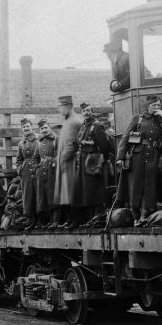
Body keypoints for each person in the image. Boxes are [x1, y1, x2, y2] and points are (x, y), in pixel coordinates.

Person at [116, 94, 162, 225]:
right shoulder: (138, 119)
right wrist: (120, 157)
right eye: (154, 105)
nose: (157, 107)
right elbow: (125, 138)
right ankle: (135, 217)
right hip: (137, 156)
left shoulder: (160, 121)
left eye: (159, 105)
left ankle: (143, 216)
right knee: (135, 187)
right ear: (148, 106)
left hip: (152, 156)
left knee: (149, 187)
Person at [69, 102, 113, 228]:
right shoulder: (83, 126)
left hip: (93, 161)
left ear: (91, 111)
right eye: (83, 111)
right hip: (82, 162)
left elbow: (105, 146)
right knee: (85, 191)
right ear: (81, 113)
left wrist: (99, 160)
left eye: (88, 110)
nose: (86, 113)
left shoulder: (97, 126)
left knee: (94, 190)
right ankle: (88, 219)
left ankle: (97, 218)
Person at [52, 95, 83, 228]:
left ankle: (75, 220)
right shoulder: (68, 120)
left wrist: (63, 160)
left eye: (62, 107)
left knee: (71, 192)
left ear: (69, 106)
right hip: (65, 163)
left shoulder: (74, 122)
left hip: (70, 163)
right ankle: (70, 220)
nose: (60, 110)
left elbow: (71, 145)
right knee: (66, 193)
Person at [15, 118, 41, 229]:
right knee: (28, 196)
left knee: (39, 194)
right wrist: (20, 169)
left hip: (38, 169)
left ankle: (41, 220)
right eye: (24, 127)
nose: (26, 129)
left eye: (27, 126)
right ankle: (31, 220)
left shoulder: (38, 139)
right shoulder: (21, 143)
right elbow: (19, 159)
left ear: (32, 127)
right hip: (25, 172)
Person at [34, 119, 58, 227]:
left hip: (52, 170)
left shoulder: (55, 139)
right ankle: (45, 221)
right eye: (42, 128)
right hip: (41, 170)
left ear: (49, 127)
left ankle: (55, 221)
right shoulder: (39, 141)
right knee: (42, 196)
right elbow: (35, 157)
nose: (44, 130)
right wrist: (37, 168)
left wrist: (54, 162)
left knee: (52, 194)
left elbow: (59, 153)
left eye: (45, 127)